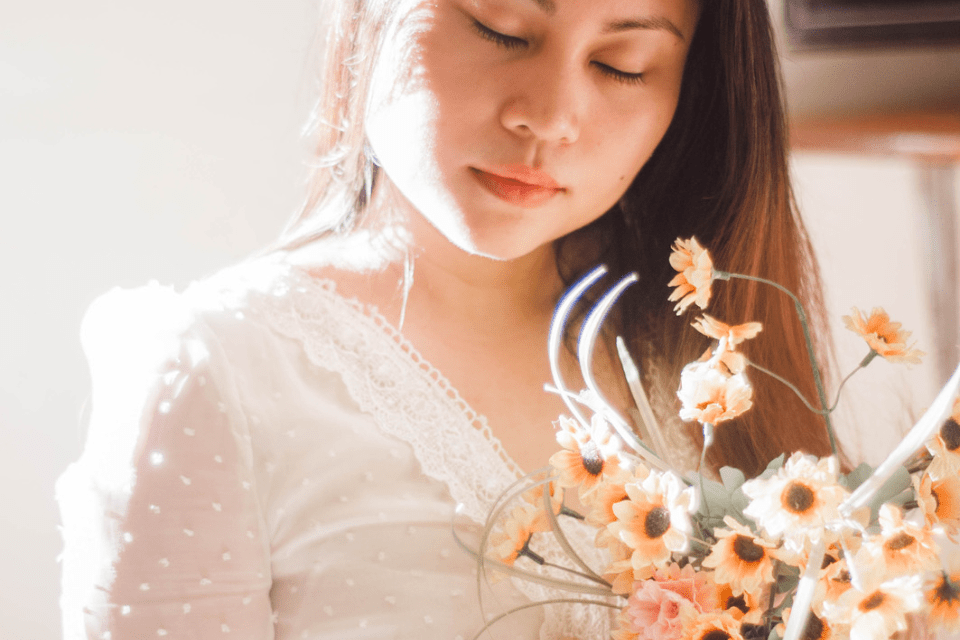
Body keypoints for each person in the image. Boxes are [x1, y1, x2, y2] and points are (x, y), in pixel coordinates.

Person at [56, 0, 836, 638]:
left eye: (620, 66)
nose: (550, 116)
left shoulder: (710, 353)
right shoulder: (220, 367)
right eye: (501, 28)